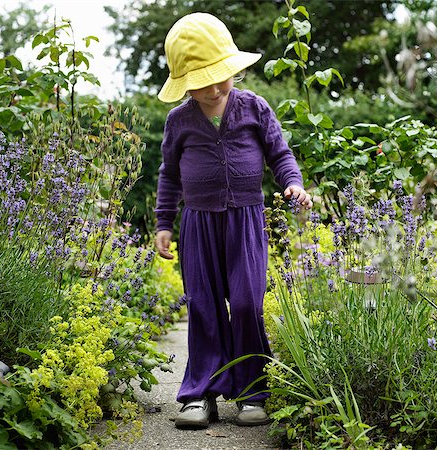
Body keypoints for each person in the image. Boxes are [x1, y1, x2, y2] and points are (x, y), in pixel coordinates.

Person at [154, 12, 312, 429]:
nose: (213, 88)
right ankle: (200, 394)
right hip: (198, 226)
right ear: (185, 83)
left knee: (245, 304)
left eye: (220, 76)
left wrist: (293, 184)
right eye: (201, 81)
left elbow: (280, 154)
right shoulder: (179, 122)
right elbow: (169, 174)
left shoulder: (253, 108)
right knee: (203, 307)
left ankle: (252, 391)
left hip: (246, 221)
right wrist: (163, 223)